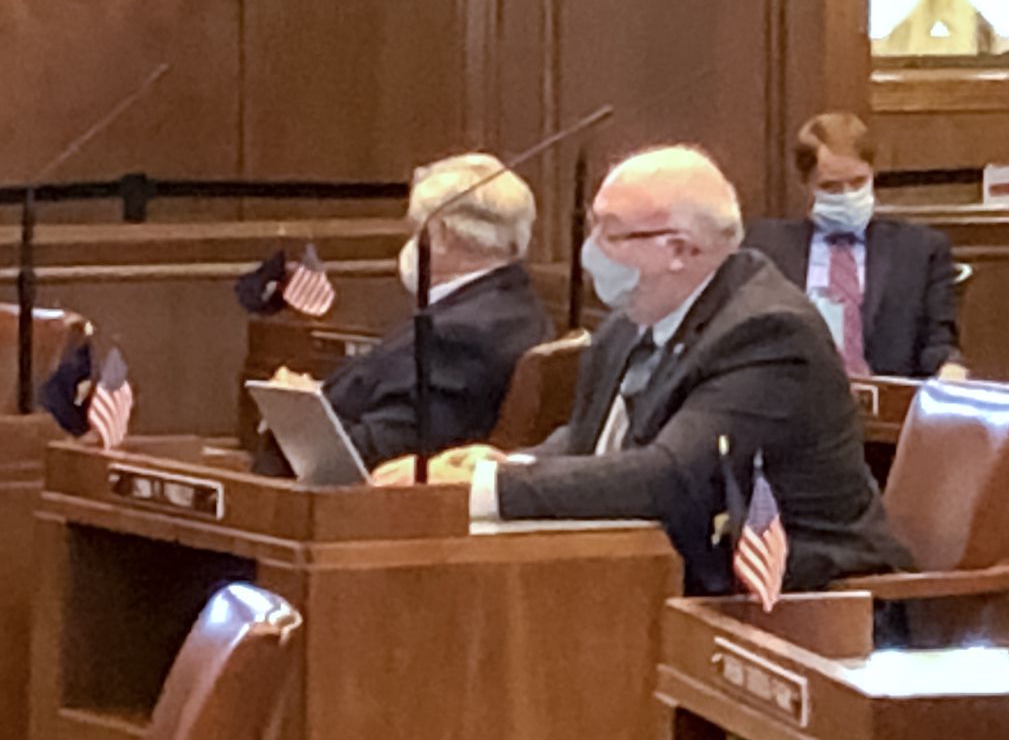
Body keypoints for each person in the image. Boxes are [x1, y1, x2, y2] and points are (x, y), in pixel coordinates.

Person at [396, 143, 909, 589]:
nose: (590, 249)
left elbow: (670, 478)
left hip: (805, 604)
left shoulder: (769, 333)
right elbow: (589, 439)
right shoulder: (631, 321)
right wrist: (506, 463)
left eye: (611, 233)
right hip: (664, 575)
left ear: (680, 249)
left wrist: (483, 490)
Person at [316, 151, 555, 469]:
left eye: (415, 228)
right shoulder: (511, 306)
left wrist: (298, 413)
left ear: (441, 234)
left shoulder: (459, 335)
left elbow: (384, 451)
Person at [744, 110, 962, 380]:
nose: (847, 195)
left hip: (885, 406)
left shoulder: (919, 250)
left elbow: (939, 344)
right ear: (806, 184)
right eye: (831, 187)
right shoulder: (764, 247)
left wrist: (949, 370)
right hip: (792, 404)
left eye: (858, 182)